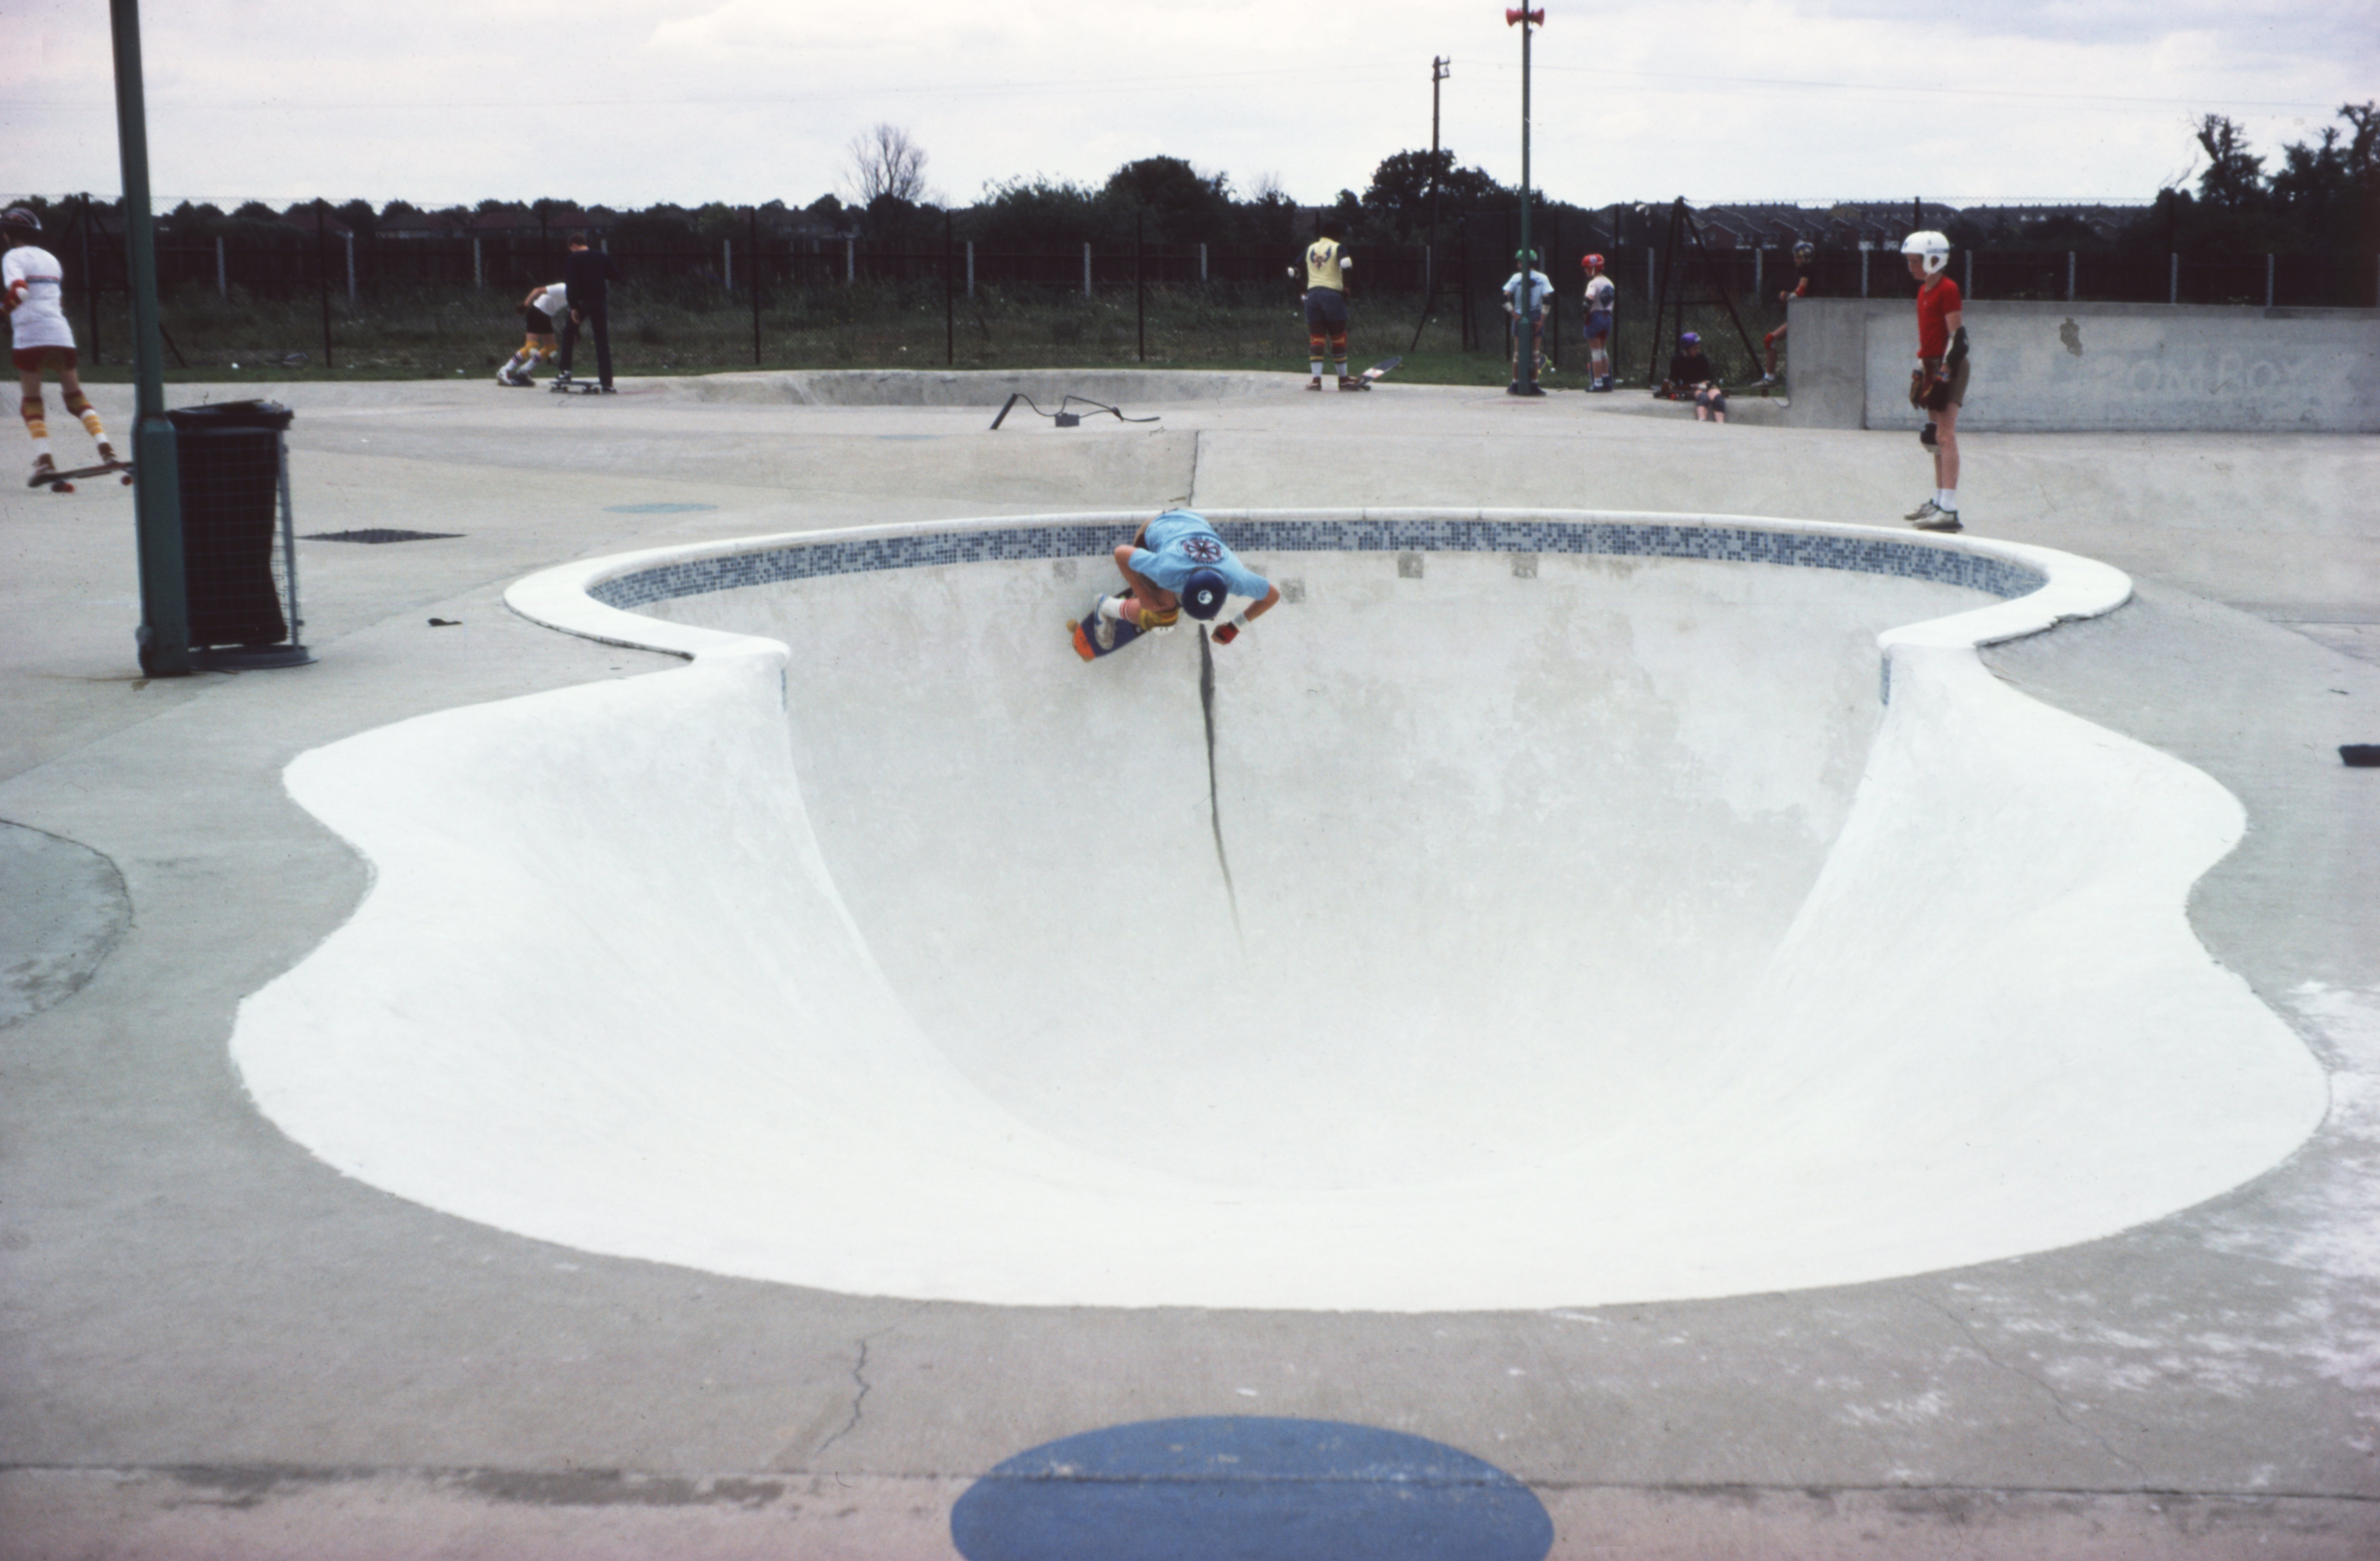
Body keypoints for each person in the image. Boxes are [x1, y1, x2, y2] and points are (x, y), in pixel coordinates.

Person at [4, 206, 118, 487]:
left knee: (32, 402)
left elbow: (19, 291)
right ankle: (107, 451)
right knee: (75, 398)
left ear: (7, 235)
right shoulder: (51, 260)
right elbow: (58, 300)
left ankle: (45, 460)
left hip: (30, 336)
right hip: (60, 333)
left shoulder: (13, 257)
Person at [1080, 508, 1283, 656]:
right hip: (1155, 526)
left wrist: (1236, 626)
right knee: (1163, 617)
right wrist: (1142, 594)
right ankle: (1106, 606)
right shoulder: (1167, 571)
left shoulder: (1237, 578)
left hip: (1194, 522)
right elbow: (1121, 553)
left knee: (1172, 607)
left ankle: (1162, 598)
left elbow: (1273, 597)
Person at [1900, 230, 1968, 533]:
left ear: (1934, 259)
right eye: (1910, 261)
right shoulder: (1924, 290)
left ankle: (1949, 510)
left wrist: (1943, 374)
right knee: (1934, 438)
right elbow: (1928, 337)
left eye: (1916, 261)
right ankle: (1939, 501)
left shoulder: (1948, 289)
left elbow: (1959, 339)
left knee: (1946, 436)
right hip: (1931, 366)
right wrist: (1920, 368)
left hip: (1948, 367)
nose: (1911, 267)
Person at [552, 231, 624, 393]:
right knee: (602, 341)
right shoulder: (601, 257)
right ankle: (607, 382)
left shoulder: (574, 259)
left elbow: (571, 284)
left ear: (575, 246)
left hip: (582, 304)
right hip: (599, 303)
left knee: (569, 333)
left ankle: (566, 372)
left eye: (571, 249)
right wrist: (598, 273)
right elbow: (617, 276)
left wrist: (573, 307)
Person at [1289, 235, 1362, 390]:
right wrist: (1347, 287)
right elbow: (1346, 264)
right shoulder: (1338, 247)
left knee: (1317, 338)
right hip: (1332, 295)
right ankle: (1343, 381)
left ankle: (1316, 381)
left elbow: (1293, 270)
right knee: (1338, 337)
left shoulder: (1310, 249)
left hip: (1312, 296)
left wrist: (1302, 291)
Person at [1760, 241, 1815, 384]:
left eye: (1797, 257)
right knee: (1771, 340)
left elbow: (1801, 292)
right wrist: (1789, 294)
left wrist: (1787, 297)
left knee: (1770, 340)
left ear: (1805, 257)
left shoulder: (1807, 269)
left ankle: (1770, 378)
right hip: (1804, 314)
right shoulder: (1807, 270)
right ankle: (1771, 378)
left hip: (1806, 316)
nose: (1795, 259)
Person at [497, 277, 568, 386]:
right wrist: (526, 305)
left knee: (551, 349)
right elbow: (538, 290)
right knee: (531, 347)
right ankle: (505, 370)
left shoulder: (575, 294)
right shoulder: (563, 288)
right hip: (537, 312)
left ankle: (524, 371)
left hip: (546, 316)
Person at [1501, 249, 1552, 392]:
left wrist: (1515, 315)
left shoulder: (1516, 278)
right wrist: (1542, 320)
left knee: (1518, 353)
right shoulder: (1543, 278)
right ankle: (1535, 384)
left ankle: (1516, 384)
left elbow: (1505, 298)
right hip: (1536, 314)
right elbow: (1547, 300)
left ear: (1521, 263)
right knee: (1535, 353)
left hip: (1519, 312)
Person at [1580, 252, 1616, 391]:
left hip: (1595, 317)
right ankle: (1607, 381)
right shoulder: (1609, 283)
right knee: (1603, 351)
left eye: (1586, 268)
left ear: (1593, 268)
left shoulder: (1593, 283)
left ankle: (1598, 383)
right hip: (1608, 317)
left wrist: (1585, 316)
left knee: (1595, 352)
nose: (1585, 271)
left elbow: (1588, 301)